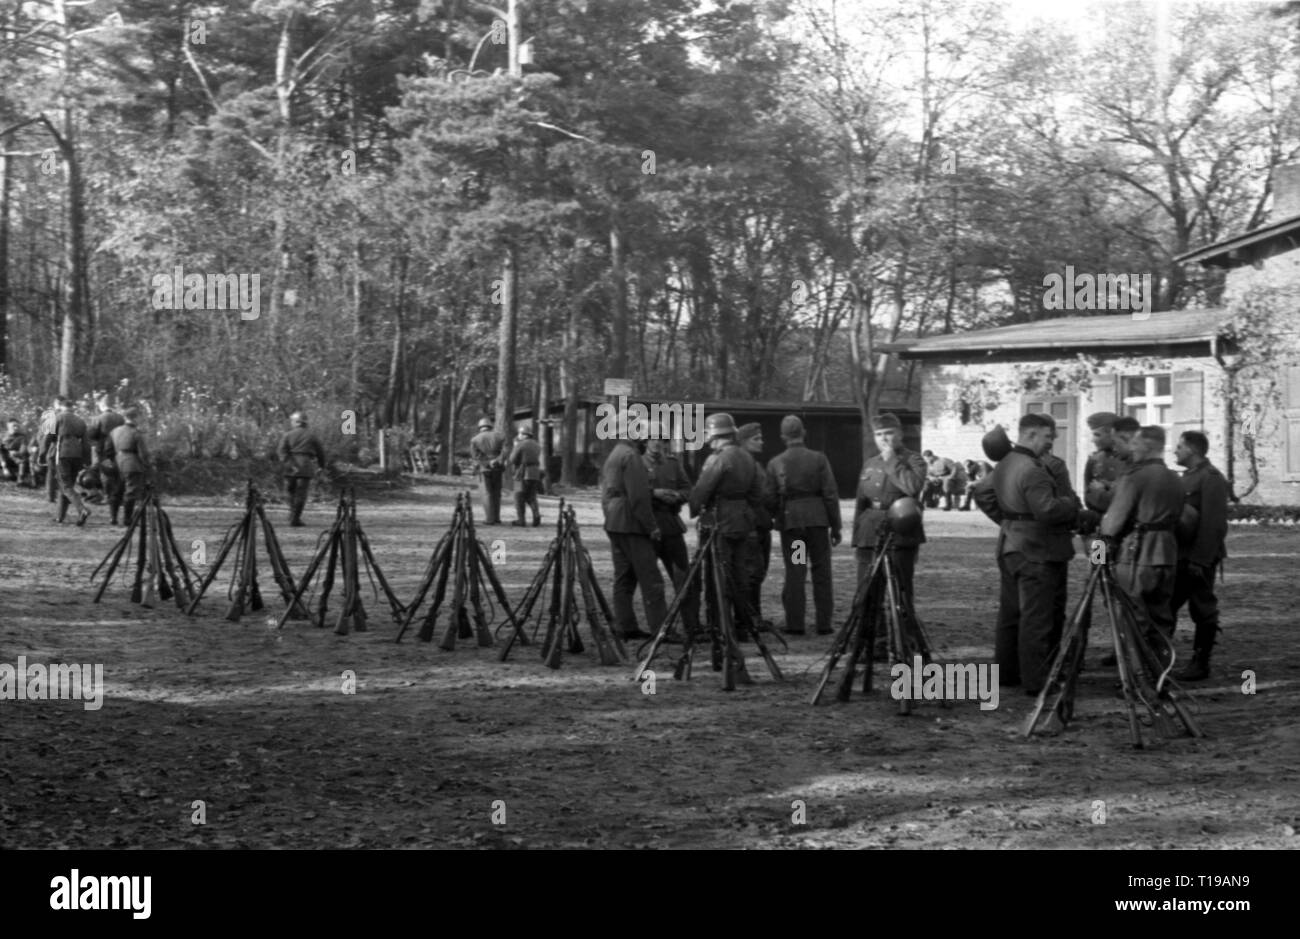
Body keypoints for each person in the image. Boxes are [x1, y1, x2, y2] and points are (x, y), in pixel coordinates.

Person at [976, 413, 1081, 695]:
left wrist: (1010, 521)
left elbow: (983, 494)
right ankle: (1038, 681)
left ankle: (1007, 673)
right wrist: (1071, 505)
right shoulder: (1035, 469)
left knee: (1011, 614)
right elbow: (1047, 510)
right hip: (1037, 550)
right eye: (1048, 436)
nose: (1052, 441)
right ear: (1031, 435)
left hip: (1011, 546)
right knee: (1038, 618)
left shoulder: (1005, 463)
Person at [1099, 425, 1184, 658]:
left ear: (1147, 446)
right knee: (1161, 617)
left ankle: (1139, 677)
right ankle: (1160, 673)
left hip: (1137, 554)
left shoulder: (1134, 477)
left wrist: (1098, 557)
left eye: (1135, 444)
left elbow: (1111, 525)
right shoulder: (1175, 478)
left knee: (1132, 615)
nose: (1132, 449)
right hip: (1166, 554)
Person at [689, 413, 764, 652]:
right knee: (740, 575)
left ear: (715, 435)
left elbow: (702, 491)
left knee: (716, 576)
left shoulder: (717, 459)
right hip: (742, 521)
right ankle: (743, 625)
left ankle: (718, 625)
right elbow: (756, 493)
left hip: (719, 521)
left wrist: (694, 508)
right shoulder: (747, 458)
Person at [765, 415, 841, 636]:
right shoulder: (819, 459)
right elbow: (830, 494)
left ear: (782, 437)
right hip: (817, 522)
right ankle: (824, 623)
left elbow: (769, 497)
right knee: (822, 571)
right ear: (804, 433)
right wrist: (835, 526)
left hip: (794, 524)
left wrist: (775, 517)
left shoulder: (776, 462)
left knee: (796, 571)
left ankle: (795, 623)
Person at [1171, 431, 1229, 681]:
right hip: (1179, 555)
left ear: (1192, 450)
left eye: (1179, 446)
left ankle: (1200, 662)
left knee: (1202, 609)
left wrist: (1200, 560)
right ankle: (1160, 657)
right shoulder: (1186, 478)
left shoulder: (1211, 478)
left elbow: (1213, 525)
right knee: (1166, 606)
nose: (1175, 450)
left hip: (1197, 558)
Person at [601, 421, 666, 641]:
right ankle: (661, 630)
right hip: (631, 524)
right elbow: (639, 497)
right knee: (651, 579)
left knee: (624, 578)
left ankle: (625, 626)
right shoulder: (631, 456)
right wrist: (652, 526)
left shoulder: (615, 453)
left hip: (614, 522)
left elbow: (606, 495)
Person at [644, 436, 701, 637]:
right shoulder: (638, 464)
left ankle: (692, 624)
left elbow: (688, 489)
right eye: (653, 440)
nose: (658, 444)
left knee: (683, 577)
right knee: (652, 581)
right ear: (645, 442)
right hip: (648, 528)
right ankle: (660, 629)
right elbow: (634, 492)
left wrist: (677, 496)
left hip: (671, 526)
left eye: (662, 440)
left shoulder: (673, 464)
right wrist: (655, 493)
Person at [736, 423, 776, 630]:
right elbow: (762, 495)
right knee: (753, 572)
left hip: (760, 524)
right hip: (753, 524)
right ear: (742, 441)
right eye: (756, 439)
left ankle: (753, 616)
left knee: (756, 572)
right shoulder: (746, 464)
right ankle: (751, 618)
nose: (761, 442)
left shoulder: (754, 463)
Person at [39, 396, 91, 526]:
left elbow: (46, 439)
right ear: (72, 407)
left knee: (65, 486)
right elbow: (86, 444)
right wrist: (87, 460)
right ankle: (60, 517)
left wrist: (41, 454)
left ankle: (82, 509)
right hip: (77, 455)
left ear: (61, 406)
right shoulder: (81, 421)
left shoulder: (55, 417)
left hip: (62, 453)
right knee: (67, 486)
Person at [277, 412, 327, 527]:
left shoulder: (287, 435)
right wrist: (321, 466)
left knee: (290, 491)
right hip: (305, 466)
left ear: (296, 422)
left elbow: (281, 451)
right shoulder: (312, 436)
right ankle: (295, 518)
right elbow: (321, 453)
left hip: (290, 466)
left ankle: (292, 514)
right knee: (301, 493)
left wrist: (288, 463)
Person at [87, 391, 126, 525]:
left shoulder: (99, 418)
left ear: (102, 405)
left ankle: (105, 502)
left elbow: (91, 435)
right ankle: (116, 502)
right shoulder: (120, 418)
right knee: (118, 479)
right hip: (119, 452)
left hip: (103, 453)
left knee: (103, 476)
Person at [109, 408, 151, 523]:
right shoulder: (136, 433)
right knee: (130, 492)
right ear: (135, 418)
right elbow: (143, 454)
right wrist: (147, 466)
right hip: (132, 464)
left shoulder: (114, 431)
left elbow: (108, 450)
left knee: (116, 491)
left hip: (116, 463)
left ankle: (113, 517)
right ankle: (127, 519)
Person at [1083, 412, 1130, 513]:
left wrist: (1101, 492)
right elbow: (1088, 497)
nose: (1093, 440)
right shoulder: (1094, 460)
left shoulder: (1130, 459)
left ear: (1112, 434)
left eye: (1097, 435)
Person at [470, 417, 507, 525]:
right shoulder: (500, 437)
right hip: (498, 468)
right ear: (490, 426)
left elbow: (475, 456)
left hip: (484, 469)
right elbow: (505, 451)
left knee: (486, 493)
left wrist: (487, 463)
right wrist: (497, 460)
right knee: (496, 493)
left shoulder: (475, 439)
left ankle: (489, 519)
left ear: (480, 427)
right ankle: (496, 518)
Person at [508, 420, 543, 527]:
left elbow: (512, 459)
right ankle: (536, 515)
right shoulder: (537, 445)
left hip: (522, 473)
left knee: (518, 497)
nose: (518, 435)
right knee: (531, 496)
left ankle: (521, 520)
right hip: (535, 473)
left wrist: (515, 446)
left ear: (524, 434)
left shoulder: (520, 445)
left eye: (520, 433)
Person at [1, 418, 31, 485]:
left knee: (22, 460)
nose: (16, 428)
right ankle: (6, 472)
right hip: (3, 457)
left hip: (15, 457)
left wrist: (16, 453)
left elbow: (23, 450)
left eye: (17, 426)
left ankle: (20, 479)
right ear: (8, 426)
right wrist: (4, 466)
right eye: (13, 426)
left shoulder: (22, 437)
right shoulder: (2, 436)